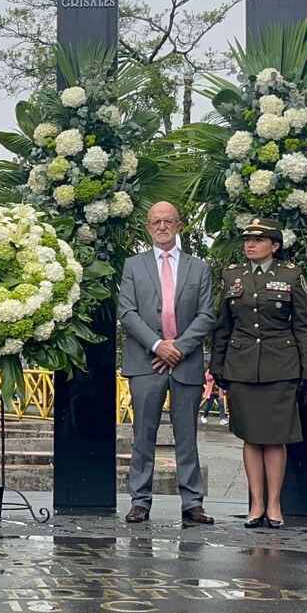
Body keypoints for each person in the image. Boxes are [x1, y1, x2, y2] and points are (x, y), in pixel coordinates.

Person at [210, 217, 307, 529]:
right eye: (247, 240)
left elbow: (303, 328)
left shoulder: (291, 275)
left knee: (274, 438)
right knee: (250, 436)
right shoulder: (233, 275)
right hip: (242, 366)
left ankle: (274, 504)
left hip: (280, 366)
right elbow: (223, 326)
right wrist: (217, 366)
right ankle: (256, 503)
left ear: (275, 246)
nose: (250, 245)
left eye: (258, 240)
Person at [117, 201, 217, 526]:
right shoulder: (133, 266)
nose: (162, 226)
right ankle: (139, 502)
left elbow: (206, 315)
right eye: (156, 222)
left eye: (168, 221)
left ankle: (193, 504)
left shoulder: (199, 268)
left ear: (179, 226)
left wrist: (178, 349)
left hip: (185, 363)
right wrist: (158, 346)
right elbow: (127, 312)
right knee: (143, 435)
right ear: (148, 227)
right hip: (146, 362)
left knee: (187, 436)